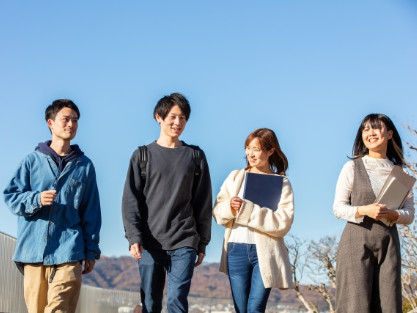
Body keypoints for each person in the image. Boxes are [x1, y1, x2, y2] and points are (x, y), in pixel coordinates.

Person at [3, 99, 102, 313]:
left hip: (69, 251)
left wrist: (91, 250)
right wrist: (36, 199)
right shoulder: (31, 161)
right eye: (66, 119)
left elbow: (91, 211)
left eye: (75, 121)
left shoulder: (84, 166)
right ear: (50, 123)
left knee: (59, 309)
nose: (71, 125)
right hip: (33, 252)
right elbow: (11, 197)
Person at [122, 92, 212, 313]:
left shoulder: (195, 156)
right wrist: (134, 236)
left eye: (183, 117)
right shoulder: (142, 156)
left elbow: (203, 202)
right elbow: (130, 199)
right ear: (158, 117)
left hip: (184, 239)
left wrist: (202, 242)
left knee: (176, 300)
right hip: (150, 241)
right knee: (150, 303)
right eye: (172, 116)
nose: (178, 122)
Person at [333, 113, 415, 313]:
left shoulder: (402, 175)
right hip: (356, 242)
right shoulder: (352, 166)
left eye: (376, 128)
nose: (370, 133)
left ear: (389, 134)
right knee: (356, 305)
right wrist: (364, 210)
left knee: (388, 305)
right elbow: (338, 208)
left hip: (388, 244)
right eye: (365, 129)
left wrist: (394, 214)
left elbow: (410, 214)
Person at [213, 128, 294, 313]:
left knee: (256, 308)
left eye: (256, 149)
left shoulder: (282, 183)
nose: (251, 153)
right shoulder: (235, 177)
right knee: (241, 309)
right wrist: (230, 208)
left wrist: (247, 210)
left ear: (271, 150)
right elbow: (217, 212)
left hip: (265, 252)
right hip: (235, 248)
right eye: (248, 148)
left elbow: (283, 223)